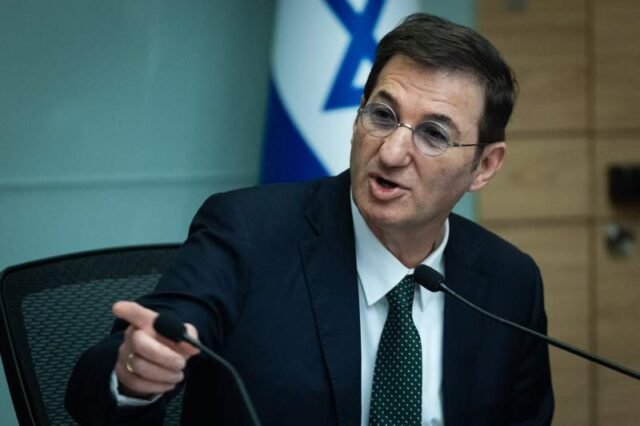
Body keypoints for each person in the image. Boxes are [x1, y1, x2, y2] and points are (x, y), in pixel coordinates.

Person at [66, 13, 554, 426]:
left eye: (433, 134)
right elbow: (105, 375)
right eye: (383, 116)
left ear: (484, 166)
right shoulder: (248, 233)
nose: (391, 152)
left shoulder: (510, 283)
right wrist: (133, 374)